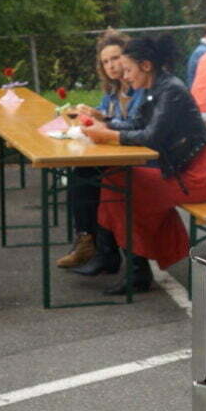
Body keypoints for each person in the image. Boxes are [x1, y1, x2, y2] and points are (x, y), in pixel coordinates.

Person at [79, 36, 206, 294]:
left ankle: (130, 265)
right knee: (114, 182)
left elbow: (151, 136)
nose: (125, 76)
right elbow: (138, 124)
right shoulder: (157, 87)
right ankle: (130, 266)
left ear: (145, 65)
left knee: (117, 184)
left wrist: (109, 134)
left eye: (128, 69)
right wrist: (105, 124)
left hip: (193, 176)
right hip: (175, 169)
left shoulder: (171, 90)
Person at [58, 31, 141, 274]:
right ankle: (92, 244)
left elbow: (135, 124)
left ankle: (94, 247)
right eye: (105, 62)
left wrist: (104, 120)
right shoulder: (113, 90)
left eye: (115, 58)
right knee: (83, 174)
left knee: (89, 178)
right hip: (121, 150)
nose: (111, 65)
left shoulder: (139, 86)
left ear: (128, 56)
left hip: (144, 157)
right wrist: (96, 114)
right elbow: (110, 118)